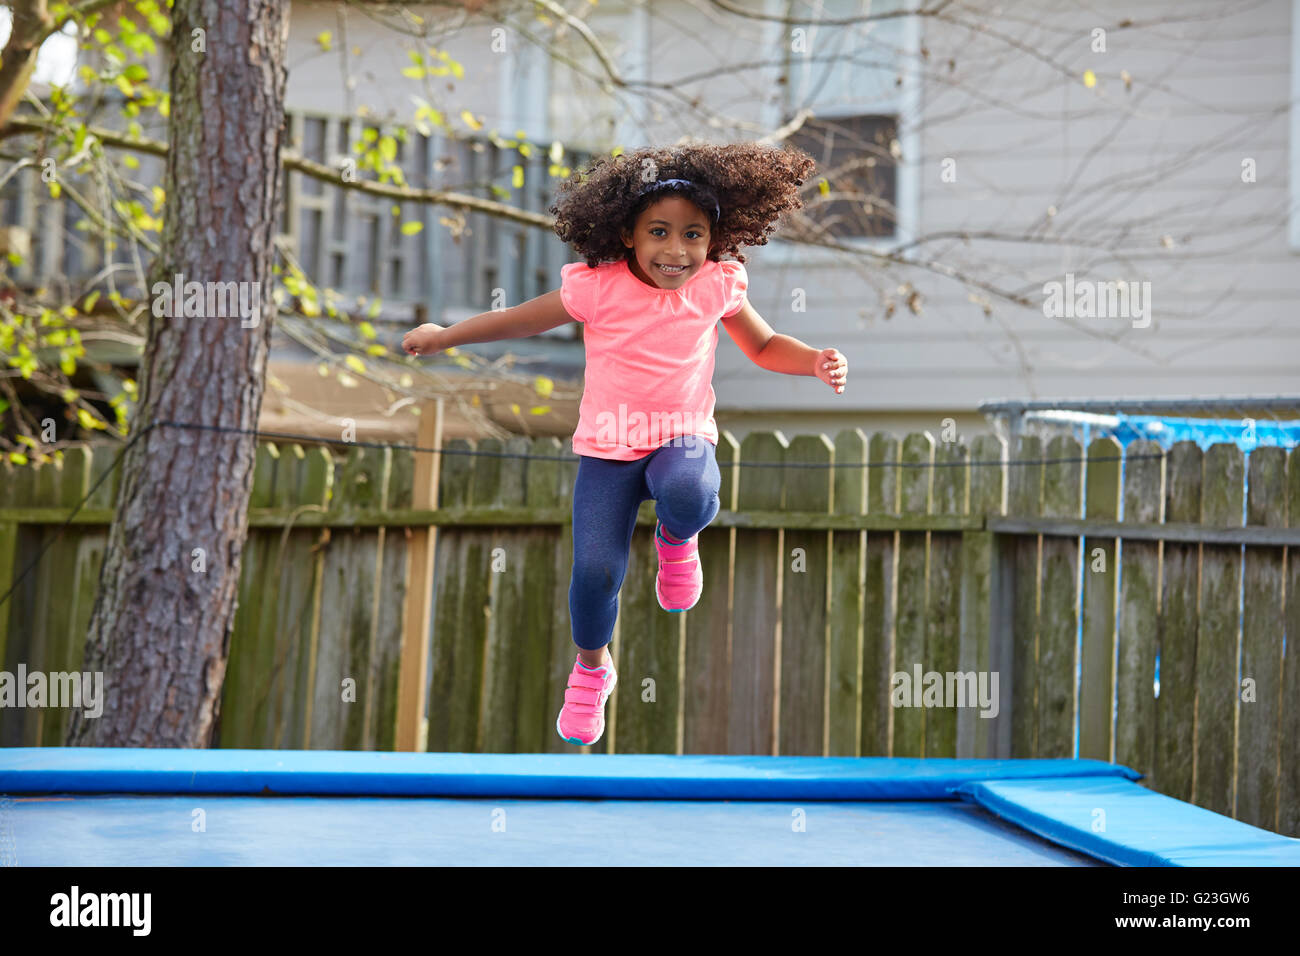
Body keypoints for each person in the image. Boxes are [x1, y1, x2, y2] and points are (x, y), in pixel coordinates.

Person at [402, 142, 848, 747]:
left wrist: (816, 361)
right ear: (629, 235)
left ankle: (675, 538)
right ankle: (592, 669)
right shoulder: (598, 288)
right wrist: (446, 337)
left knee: (690, 490)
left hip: (679, 437)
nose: (676, 250)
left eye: (693, 235)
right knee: (594, 572)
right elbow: (523, 320)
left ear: (712, 240)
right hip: (608, 451)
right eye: (659, 232)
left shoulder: (718, 285)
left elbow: (765, 347)